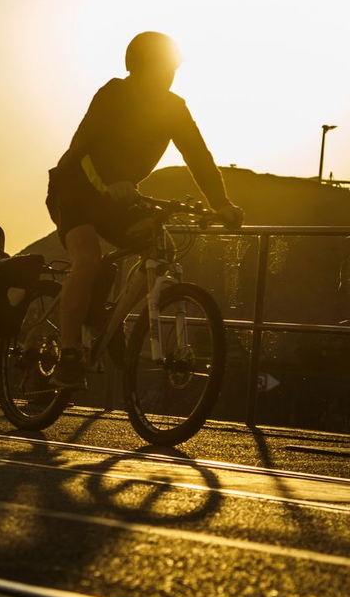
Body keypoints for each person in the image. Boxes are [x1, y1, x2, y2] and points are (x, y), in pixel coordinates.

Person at [45, 31, 243, 390]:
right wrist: (108, 184)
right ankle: (68, 354)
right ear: (138, 67)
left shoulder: (174, 107)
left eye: (173, 69)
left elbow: (198, 156)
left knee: (160, 246)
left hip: (118, 196)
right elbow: (81, 147)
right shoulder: (113, 94)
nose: (169, 76)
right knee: (88, 257)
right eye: (163, 68)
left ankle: (109, 318)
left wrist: (221, 204)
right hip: (74, 188)